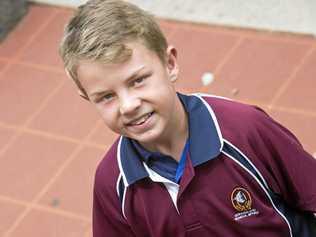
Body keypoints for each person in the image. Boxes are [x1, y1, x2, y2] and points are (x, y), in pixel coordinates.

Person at [59, 0, 316, 236]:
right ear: (87, 98)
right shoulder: (112, 183)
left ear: (169, 64)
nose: (128, 106)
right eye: (106, 97)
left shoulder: (245, 129)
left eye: (138, 81)